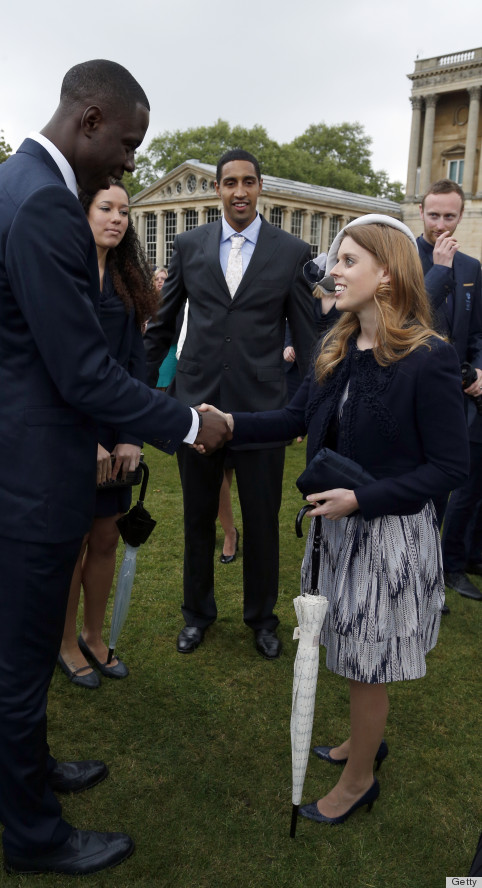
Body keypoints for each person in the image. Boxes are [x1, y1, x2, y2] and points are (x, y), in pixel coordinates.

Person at [0, 59, 230, 877]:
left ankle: (35, 774)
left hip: (3, 465)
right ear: (90, 119)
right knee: (18, 666)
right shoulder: (43, 204)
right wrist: (188, 421)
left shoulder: (6, 183)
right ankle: (32, 835)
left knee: (23, 658)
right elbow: (82, 372)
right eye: (129, 144)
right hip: (22, 481)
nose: (131, 162)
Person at [198, 215, 469, 825]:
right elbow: (295, 418)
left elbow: (450, 467)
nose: (333, 271)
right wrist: (233, 423)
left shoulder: (430, 358)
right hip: (336, 531)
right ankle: (360, 742)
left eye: (348, 261)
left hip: (387, 535)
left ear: (388, 274)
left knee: (368, 662)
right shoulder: (337, 344)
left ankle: (359, 777)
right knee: (345, 645)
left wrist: (360, 500)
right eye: (335, 259)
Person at [144, 149, 317, 659]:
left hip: (262, 410)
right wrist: (136, 392)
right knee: (198, 518)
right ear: (217, 190)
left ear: (260, 187)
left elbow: (308, 341)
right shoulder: (189, 244)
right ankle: (197, 614)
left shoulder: (291, 250)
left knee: (262, 521)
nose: (238, 190)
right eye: (228, 182)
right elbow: (162, 326)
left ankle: (262, 618)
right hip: (195, 408)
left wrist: (307, 407)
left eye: (248, 181)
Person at [58, 180, 159, 687]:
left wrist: (132, 436)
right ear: (84, 213)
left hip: (116, 430)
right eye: (106, 208)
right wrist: (84, 440)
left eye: (124, 210)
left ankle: (93, 637)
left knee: (104, 538)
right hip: (67, 430)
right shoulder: (62, 275)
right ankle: (62, 641)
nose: (117, 218)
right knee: (71, 543)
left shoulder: (126, 281)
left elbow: (135, 366)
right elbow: (52, 369)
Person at [418, 179, 482, 607]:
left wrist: (478, 365)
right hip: (410, 394)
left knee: (447, 488)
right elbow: (407, 314)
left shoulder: (472, 268)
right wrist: (438, 268)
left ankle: (437, 574)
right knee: (414, 492)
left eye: (450, 216)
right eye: (434, 215)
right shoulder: (401, 256)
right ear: (422, 213)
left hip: (458, 398)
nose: (442, 224)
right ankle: (413, 578)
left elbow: (476, 331)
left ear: (461, 216)